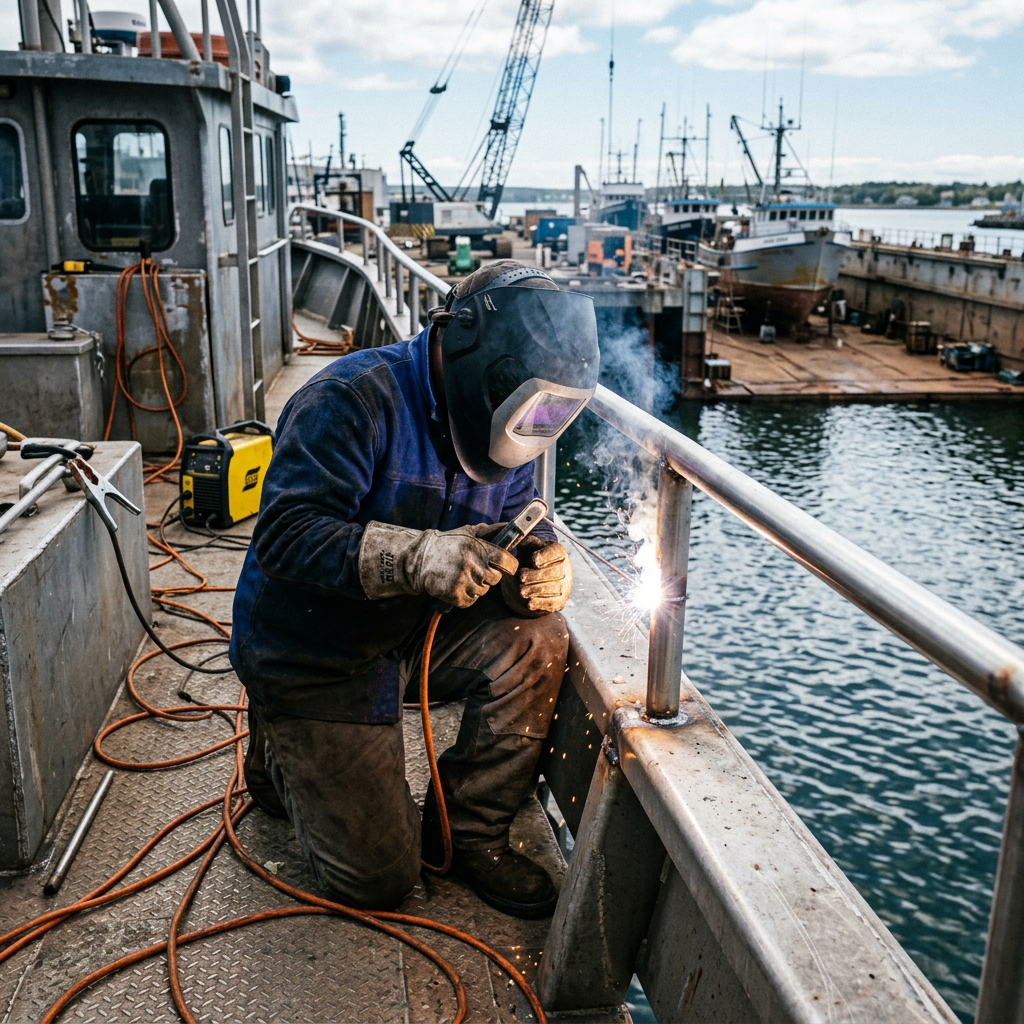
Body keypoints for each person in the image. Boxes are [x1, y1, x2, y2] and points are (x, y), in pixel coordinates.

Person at [230, 261, 599, 918]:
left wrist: (535, 569)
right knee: (378, 881)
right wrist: (414, 556)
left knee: (539, 638)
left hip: (411, 632)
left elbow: (513, 522)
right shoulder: (349, 399)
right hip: (314, 654)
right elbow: (283, 536)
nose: (536, 426)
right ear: (462, 351)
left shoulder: (518, 418)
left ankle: (470, 833)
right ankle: (275, 750)